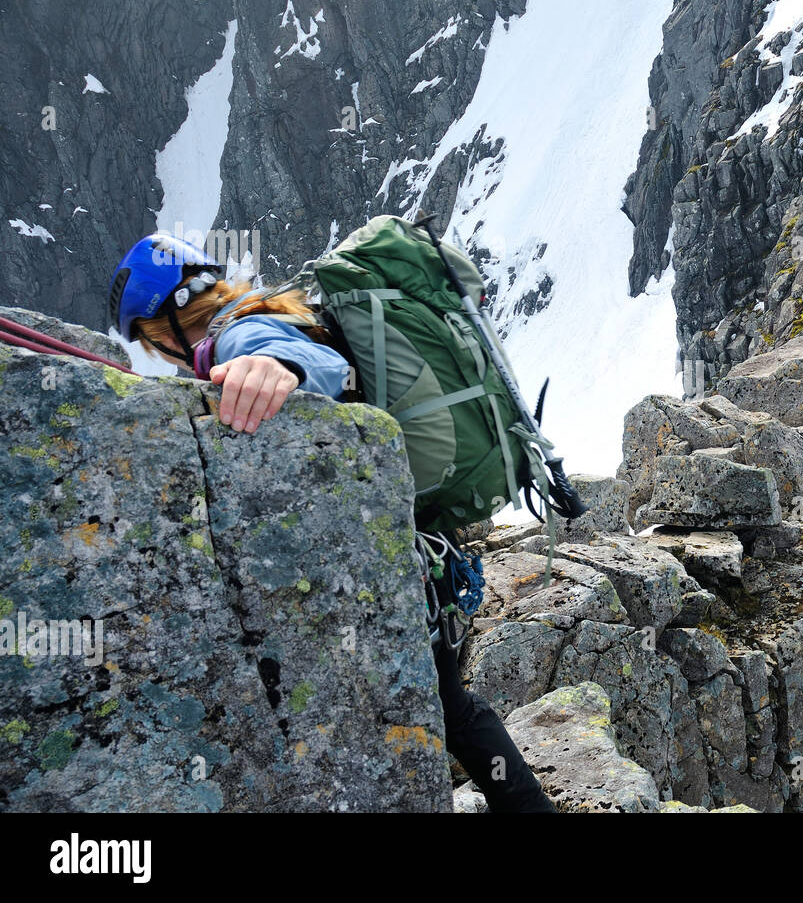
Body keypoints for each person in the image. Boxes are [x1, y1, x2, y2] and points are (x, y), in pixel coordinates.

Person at [108, 232, 556, 813]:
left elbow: (317, 367)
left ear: (161, 323)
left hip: (384, 560)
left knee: (430, 706)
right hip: (409, 546)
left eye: (149, 341)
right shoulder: (269, 308)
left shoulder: (240, 335)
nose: (157, 353)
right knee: (449, 704)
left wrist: (272, 368)